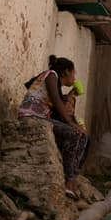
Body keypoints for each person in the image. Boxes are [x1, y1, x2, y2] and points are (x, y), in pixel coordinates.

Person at [19, 55, 88, 198]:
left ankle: (72, 178)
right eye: (74, 73)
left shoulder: (56, 83)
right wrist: (71, 124)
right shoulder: (51, 75)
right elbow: (56, 101)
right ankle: (68, 181)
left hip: (43, 119)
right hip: (32, 117)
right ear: (67, 72)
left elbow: (60, 105)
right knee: (73, 133)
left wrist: (70, 98)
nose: (75, 78)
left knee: (83, 137)